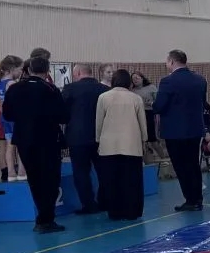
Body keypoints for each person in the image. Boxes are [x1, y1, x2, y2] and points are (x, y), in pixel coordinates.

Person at [0, 55, 69, 233]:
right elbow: (63, 116)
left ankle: (42, 218)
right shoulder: (50, 89)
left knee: (34, 179)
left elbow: (7, 115)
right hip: (48, 140)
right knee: (51, 180)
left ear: (29, 70)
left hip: (24, 140)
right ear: (47, 71)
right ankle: (46, 219)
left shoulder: (14, 89)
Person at [153, 50, 208, 212]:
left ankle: (190, 199)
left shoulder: (167, 81)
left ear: (171, 61)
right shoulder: (200, 80)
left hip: (175, 131)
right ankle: (197, 198)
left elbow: (159, 106)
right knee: (193, 164)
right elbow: (203, 102)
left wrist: (152, 106)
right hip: (195, 128)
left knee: (181, 166)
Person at [96, 70, 148, 221]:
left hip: (108, 146)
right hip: (131, 145)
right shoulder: (136, 98)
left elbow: (99, 122)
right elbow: (142, 122)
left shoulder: (103, 97)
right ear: (128, 83)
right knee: (132, 180)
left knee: (111, 180)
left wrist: (98, 140)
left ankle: (115, 212)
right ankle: (132, 212)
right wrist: (144, 140)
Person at [61, 63, 107, 215]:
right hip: (101, 136)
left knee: (81, 172)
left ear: (79, 73)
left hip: (77, 137)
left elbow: (63, 113)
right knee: (104, 171)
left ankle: (89, 204)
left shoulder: (70, 89)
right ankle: (105, 201)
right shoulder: (104, 89)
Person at [0, 54, 24, 182]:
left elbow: (1, 103)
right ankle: (22, 172)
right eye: (20, 69)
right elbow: (18, 102)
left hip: (5, 118)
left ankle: (11, 173)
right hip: (15, 118)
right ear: (12, 69)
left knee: (9, 146)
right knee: (21, 145)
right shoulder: (12, 84)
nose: (21, 72)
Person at [130, 71, 158, 143]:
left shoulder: (151, 87)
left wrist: (151, 103)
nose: (135, 80)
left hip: (149, 113)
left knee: (151, 135)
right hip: (136, 114)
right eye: (133, 79)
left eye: (137, 78)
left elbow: (158, 101)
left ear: (142, 78)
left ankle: (156, 149)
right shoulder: (132, 90)